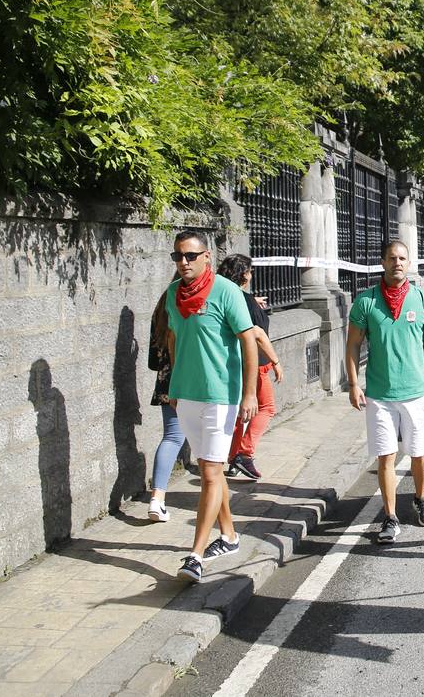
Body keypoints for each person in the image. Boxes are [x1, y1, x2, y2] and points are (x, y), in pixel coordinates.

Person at [163, 231, 259, 584]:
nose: (183, 263)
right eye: (177, 257)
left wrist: (249, 394)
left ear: (207, 257)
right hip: (187, 394)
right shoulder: (173, 295)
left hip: (221, 395)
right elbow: (174, 338)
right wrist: (174, 385)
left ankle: (196, 555)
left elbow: (249, 342)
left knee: (209, 473)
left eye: (189, 256)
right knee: (211, 471)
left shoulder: (226, 291)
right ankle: (230, 536)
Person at [345, 240, 424, 544]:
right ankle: (389, 516)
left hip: (416, 392)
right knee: (386, 457)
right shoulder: (366, 301)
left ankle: (420, 498)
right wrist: (353, 383)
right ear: (383, 261)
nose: (398, 263)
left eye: (402, 258)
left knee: (418, 453)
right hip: (379, 393)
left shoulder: (422, 299)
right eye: (392, 258)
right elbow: (352, 345)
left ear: (409, 262)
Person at [216, 255, 286, 480]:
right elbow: (257, 333)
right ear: (244, 274)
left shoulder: (227, 296)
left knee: (237, 414)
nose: (251, 275)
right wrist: (275, 361)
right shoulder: (244, 299)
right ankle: (244, 454)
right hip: (256, 364)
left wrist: (253, 301)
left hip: (233, 363)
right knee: (266, 408)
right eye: (250, 271)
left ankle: (233, 457)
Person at [146, 284, 184, 523]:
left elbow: (153, 360)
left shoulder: (162, 305)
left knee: (171, 436)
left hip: (166, 378)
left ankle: (156, 499)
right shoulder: (189, 303)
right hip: (189, 379)